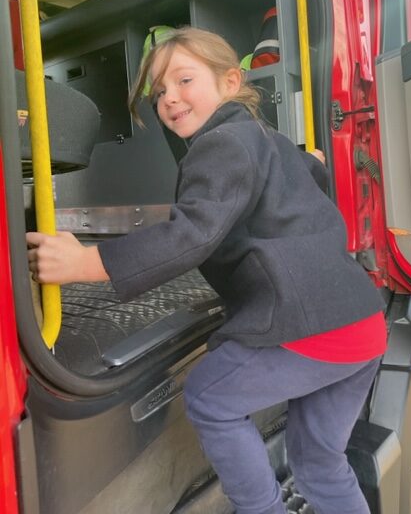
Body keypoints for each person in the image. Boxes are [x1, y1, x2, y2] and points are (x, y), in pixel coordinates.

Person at [27, 26, 387, 514]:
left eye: (184, 80)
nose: (170, 98)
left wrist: (86, 262)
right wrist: (313, 160)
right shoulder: (269, 140)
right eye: (159, 93)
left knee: (209, 395)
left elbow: (192, 234)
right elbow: (314, 173)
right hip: (363, 326)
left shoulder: (220, 145)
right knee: (321, 461)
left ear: (231, 82)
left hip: (312, 329)